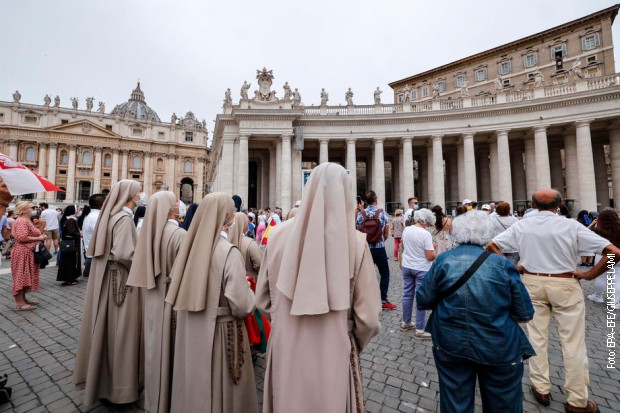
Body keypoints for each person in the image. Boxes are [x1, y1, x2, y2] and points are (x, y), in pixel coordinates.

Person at [255, 163, 381, 413]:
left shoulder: (277, 235)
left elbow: (262, 300)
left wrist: (285, 321)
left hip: (286, 347)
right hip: (334, 349)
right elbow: (368, 318)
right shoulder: (356, 243)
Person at [487, 189, 620, 413]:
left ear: (532, 204)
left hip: (532, 282)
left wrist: (514, 268)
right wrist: (590, 275)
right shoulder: (571, 225)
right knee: (573, 343)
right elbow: (614, 252)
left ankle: (541, 388)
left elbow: (491, 246)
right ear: (558, 204)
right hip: (565, 283)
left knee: (536, 338)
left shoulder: (522, 225)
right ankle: (577, 400)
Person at [418, 211, 535, 413]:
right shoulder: (502, 264)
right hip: (498, 344)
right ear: (487, 234)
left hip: (450, 341)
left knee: (455, 401)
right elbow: (524, 312)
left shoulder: (443, 260)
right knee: (504, 403)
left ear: (457, 233)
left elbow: (423, 299)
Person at [165, 193, 258, 413]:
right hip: (222, 329)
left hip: (191, 326)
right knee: (221, 382)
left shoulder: (189, 246)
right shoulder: (229, 252)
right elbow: (242, 305)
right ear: (227, 217)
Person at [73, 180, 144, 407]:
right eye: (138, 192)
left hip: (109, 279)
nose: (140, 196)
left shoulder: (112, 215)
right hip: (121, 282)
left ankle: (105, 383)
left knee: (109, 331)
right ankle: (120, 389)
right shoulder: (123, 219)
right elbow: (125, 254)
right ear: (130, 196)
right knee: (121, 332)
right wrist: (145, 268)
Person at [126, 191, 186, 413]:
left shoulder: (148, 233)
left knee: (153, 346)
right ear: (172, 209)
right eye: (176, 202)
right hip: (170, 296)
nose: (180, 205)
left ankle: (152, 395)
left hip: (151, 295)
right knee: (170, 347)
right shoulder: (178, 235)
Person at [357, 190, 396, 310]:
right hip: (379, 248)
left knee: (365, 274)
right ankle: (383, 300)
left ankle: (364, 300)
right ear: (376, 199)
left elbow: (357, 230)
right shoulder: (382, 213)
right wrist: (380, 240)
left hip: (366, 248)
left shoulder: (361, 214)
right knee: (384, 274)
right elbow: (386, 233)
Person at [400, 209, 436, 338]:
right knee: (420, 297)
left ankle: (405, 322)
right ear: (425, 220)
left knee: (407, 295)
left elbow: (405, 246)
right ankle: (420, 329)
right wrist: (435, 249)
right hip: (421, 268)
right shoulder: (425, 234)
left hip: (407, 266)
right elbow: (430, 256)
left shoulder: (407, 230)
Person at [10, 201, 45, 310]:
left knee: (25, 276)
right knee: (20, 276)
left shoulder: (26, 220)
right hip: (22, 252)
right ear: (24, 210)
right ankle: (19, 303)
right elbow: (22, 238)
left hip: (27, 252)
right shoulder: (21, 221)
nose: (34, 209)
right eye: (31, 207)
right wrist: (39, 238)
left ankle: (23, 299)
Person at [586, 209, 620, 309]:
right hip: (618, 255)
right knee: (617, 278)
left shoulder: (598, 230)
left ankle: (598, 296)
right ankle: (615, 302)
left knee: (600, 276)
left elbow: (585, 234)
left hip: (603, 255)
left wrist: (592, 224)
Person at [57, 205, 82, 286]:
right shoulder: (71, 220)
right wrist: (79, 234)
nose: (78, 211)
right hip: (70, 244)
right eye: (77, 209)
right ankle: (69, 279)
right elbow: (71, 232)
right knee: (70, 261)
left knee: (67, 261)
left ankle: (67, 278)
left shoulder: (67, 219)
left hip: (67, 243)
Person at [488, 202, 519, 266]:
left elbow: (489, 234)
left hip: (497, 247)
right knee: (511, 269)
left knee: (498, 268)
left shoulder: (492, 220)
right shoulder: (515, 220)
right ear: (508, 210)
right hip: (512, 248)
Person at [82, 194, 105, 279]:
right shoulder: (96, 217)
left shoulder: (90, 216)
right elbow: (101, 236)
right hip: (95, 257)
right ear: (103, 204)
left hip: (91, 254)